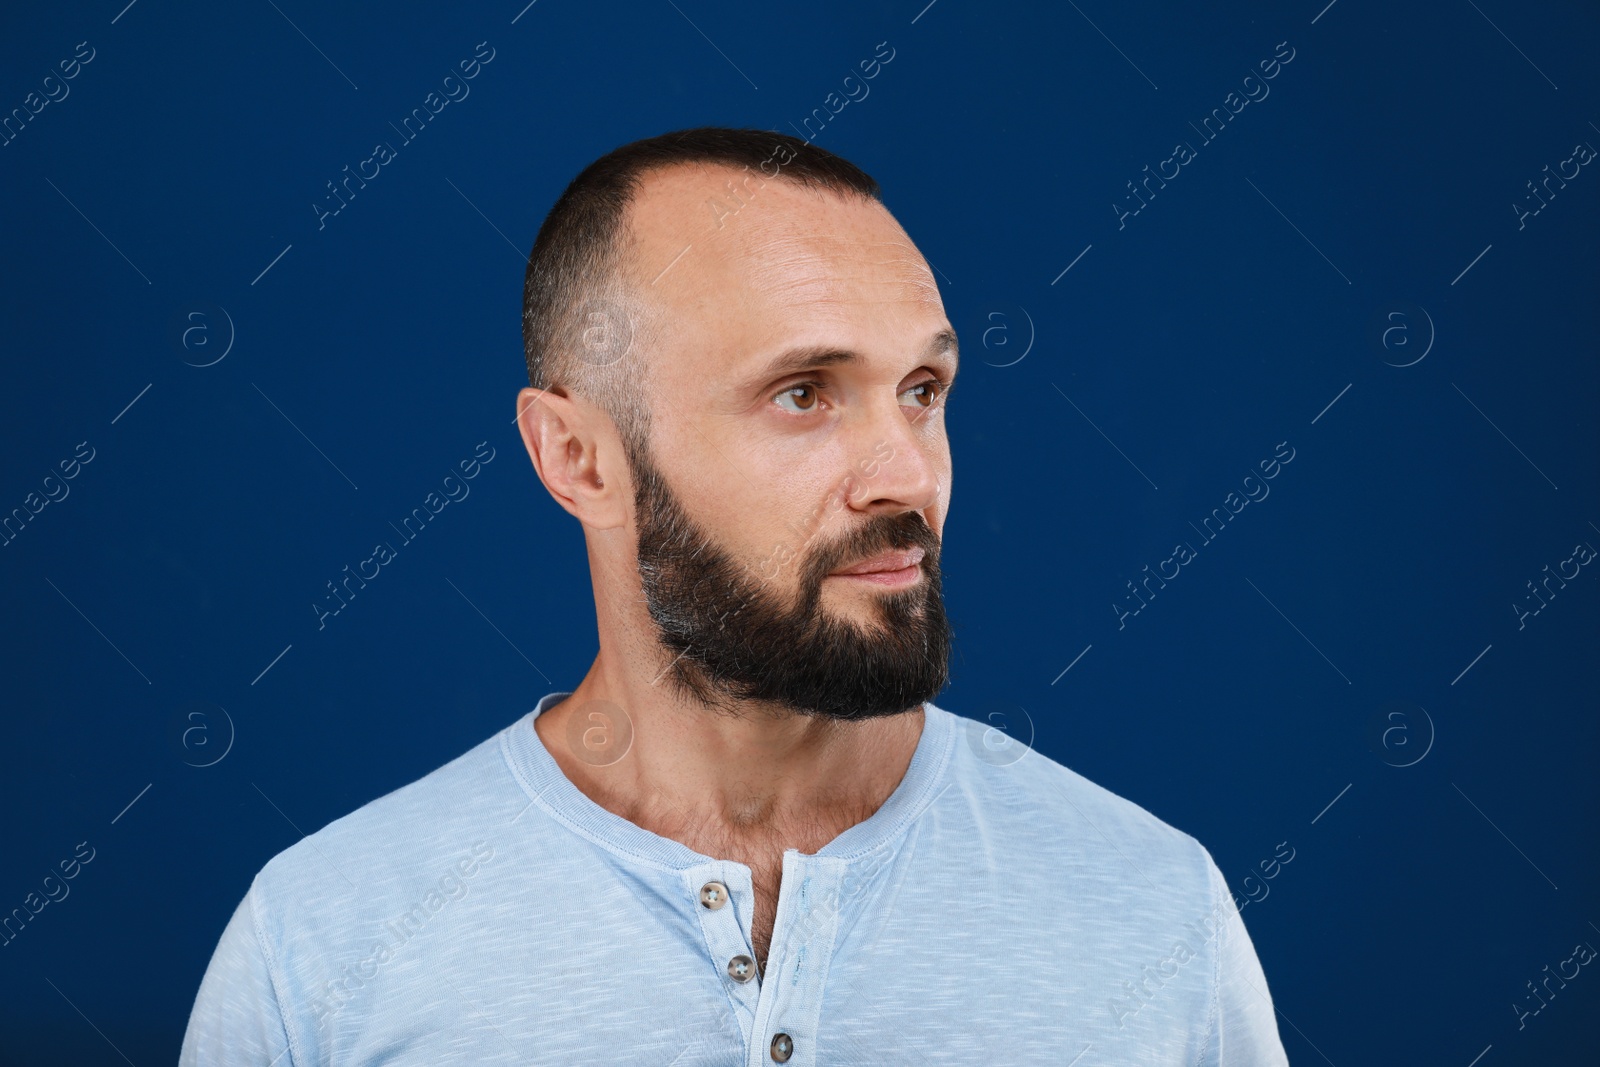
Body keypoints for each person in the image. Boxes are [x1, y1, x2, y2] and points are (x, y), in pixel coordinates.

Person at [181, 126, 1290, 1064]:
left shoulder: (1152, 911)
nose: (907, 473)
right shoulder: (323, 948)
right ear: (577, 457)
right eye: (804, 392)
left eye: (921, 389)